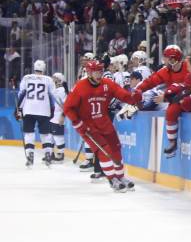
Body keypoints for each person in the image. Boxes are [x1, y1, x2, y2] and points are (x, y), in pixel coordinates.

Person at [64, 60, 143, 192]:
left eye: (100, 71)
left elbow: (122, 94)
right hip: (88, 127)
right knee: (104, 151)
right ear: (89, 72)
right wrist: (77, 123)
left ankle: (120, 177)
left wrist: (134, 98)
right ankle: (112, 180)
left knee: (116, 148)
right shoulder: (80, 86)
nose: (99, 74)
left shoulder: (107, 84)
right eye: (96, 71)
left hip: (104, 123)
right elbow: (68, 108)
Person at [15, 60, 56, 167]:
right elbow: (52, 96)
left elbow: (22, 94)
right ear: (44, 68)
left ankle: (30, 156)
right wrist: (52, 110)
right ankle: (47, 154)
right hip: (44, 110)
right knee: (45, 134)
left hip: (29, 109)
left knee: (29, 133)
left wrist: (18, 109)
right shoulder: (49, 80)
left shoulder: (26, 78)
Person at [50, 72, 69, 163]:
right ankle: (51, 154)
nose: (52, 80)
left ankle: (61, 155)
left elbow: (66, 105)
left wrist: (62, 116)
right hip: (53, 117)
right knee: (51, 136)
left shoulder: (61, 90)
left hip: (58, 117)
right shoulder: (55, 89)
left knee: (58, 136)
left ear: (59, 80)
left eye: (55, 78)